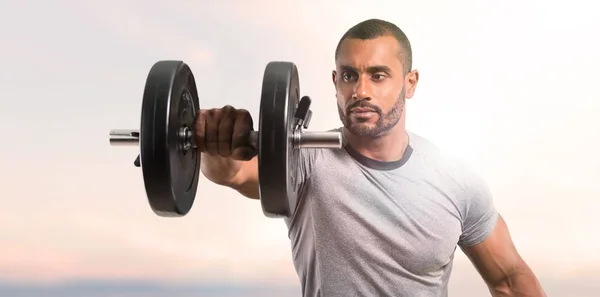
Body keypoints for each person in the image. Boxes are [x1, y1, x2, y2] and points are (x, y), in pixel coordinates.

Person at [194, 19, 546, 297]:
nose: (360, 91)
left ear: (410, 83)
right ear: (335, 81)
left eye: (378, 76)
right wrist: (215, 143)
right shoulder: (306, 162)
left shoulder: (455, 182)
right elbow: (235, 173)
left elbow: (510, 280)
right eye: (349, 76)